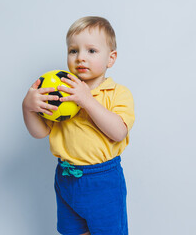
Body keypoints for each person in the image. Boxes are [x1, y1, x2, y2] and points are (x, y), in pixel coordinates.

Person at [22, 16, 135, 235]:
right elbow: (40, 132)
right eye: (73, 51)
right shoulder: (59, 92)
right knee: (72, 231)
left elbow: (119, 132)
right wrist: (28, 108)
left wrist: (87, 100)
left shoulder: (118, 93)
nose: (80, 57)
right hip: (66, 177)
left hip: (102, 182)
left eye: (91, 51)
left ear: (110, 59)